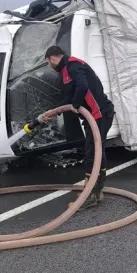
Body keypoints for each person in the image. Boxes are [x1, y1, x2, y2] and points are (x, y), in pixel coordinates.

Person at [42, 45, 115, 210]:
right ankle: (96, 191)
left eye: (48, 62)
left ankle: (90, 195)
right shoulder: (65, 71)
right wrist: (54, 111)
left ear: (52, 58)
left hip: (99, 114)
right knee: (95, 151)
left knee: (92, 153)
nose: (50, 66)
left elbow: (82, 86)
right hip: (94, 117)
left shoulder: (74, 65)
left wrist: (75, 105)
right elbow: (70, 95)